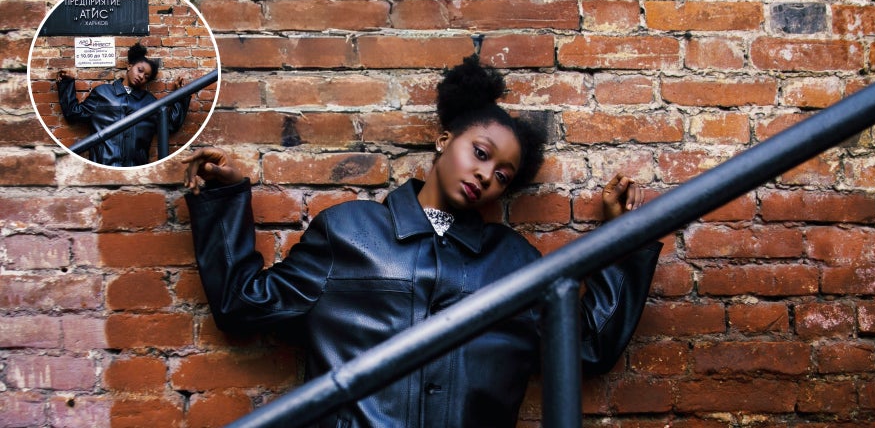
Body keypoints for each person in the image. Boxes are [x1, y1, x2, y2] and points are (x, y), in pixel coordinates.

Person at [182, 54, 661, 427]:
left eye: (503, 175)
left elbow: (588, 348)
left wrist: (625, 237)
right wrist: (224, 199)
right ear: (442, 140)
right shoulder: (349, 231)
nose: (485, 175)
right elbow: (244, 305)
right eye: (479, 153)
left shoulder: (514, 264)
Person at [55, 42, 191, 167]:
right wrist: (67, 84)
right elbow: (74, 113)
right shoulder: (103, 93)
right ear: (129, 66)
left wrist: (182, 95)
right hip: (102, 165)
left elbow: (170, 126)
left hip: (136, 169)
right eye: (140, 70)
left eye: (147, 76)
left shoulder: (149, 102)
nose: (142, 76)